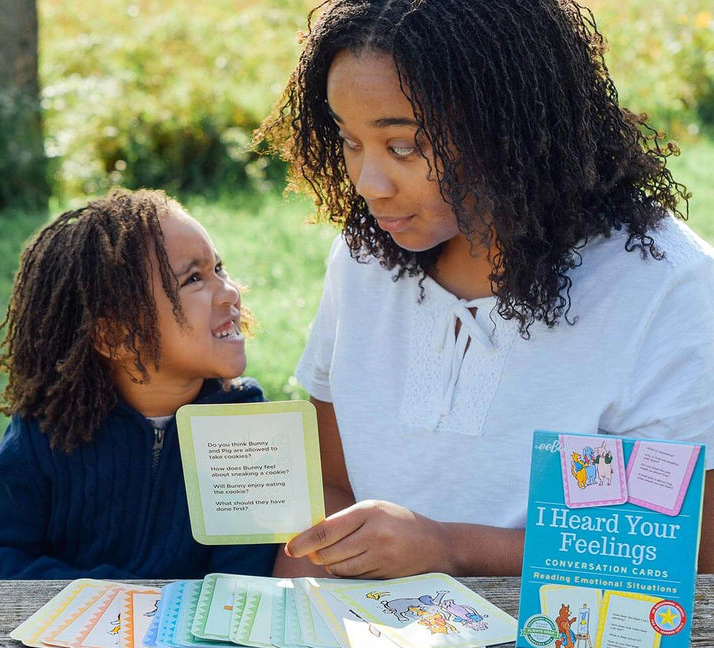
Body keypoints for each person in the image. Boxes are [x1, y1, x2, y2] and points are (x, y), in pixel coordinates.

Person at [259, 0, 714, 578]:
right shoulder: (363, 255)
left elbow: (689, 549)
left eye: (403, 147)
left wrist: (450, 550)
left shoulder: (664, 287)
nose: (369, 184)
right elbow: (333, 483)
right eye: (349, 141)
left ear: (509, 127)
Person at [0, 188, 278, 579]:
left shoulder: (246, 426)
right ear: (115, 336)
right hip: (63, 635)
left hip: (196, 637)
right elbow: (3, 555)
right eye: (194, 279)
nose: (229, 292)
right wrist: (113, 597)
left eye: (219, 269)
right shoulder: (44, 432)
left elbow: (246, 572)